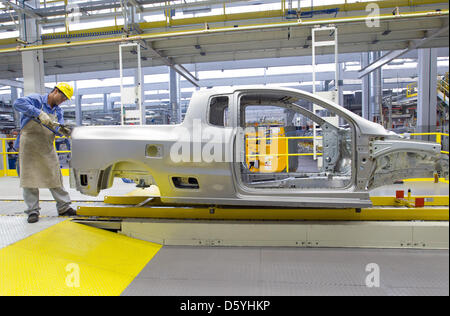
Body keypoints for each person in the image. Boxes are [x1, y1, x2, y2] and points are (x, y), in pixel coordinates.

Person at [13, 82, 76, 223]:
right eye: (63, 97)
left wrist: (63, 131)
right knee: (29, 179)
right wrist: (39, 113)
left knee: (54, 175)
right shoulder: (35, 100)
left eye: (66, 99)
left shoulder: (58, 111)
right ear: (55, 91)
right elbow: (17, 103)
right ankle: (32, 211)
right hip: (29, 145)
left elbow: (56, 128)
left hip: (46, 146)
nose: (63, 101)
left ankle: (64, 207)